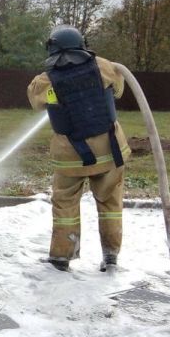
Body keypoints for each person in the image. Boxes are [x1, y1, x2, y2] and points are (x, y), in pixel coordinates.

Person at [26, 25, 131, 272]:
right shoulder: (105, 67)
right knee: (110, 204)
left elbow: (36, 103)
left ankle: (61, 257)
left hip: (71, 157)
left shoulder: (44, 81)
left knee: (65, 205)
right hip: (110, 151)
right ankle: (111, 256)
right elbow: (118, 90)